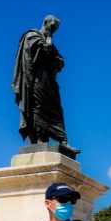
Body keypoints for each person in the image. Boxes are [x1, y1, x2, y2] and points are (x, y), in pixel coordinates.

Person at [12, 15, 75, 151]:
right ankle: (37, 140)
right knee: (38, 108)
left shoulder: (48, 40)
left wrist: (58, 61)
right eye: (52, 27)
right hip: (35, 81)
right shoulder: (32, 36)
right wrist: (48, 39)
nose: (53, 30)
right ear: (46, 23)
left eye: (56, 29)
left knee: (56, 109)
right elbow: (44, 51)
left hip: (49, 82)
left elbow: (57, 59)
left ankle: (62, 140)